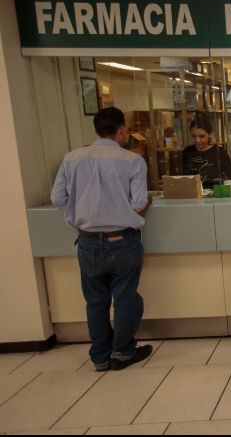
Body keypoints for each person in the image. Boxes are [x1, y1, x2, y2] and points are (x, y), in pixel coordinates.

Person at [51, 107, 153, 372]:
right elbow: (139, 202)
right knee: (125, 297)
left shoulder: (71, 158)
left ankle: (99, 356)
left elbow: (57, 199)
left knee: (95, 301)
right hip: (122, 241)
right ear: (121, 130)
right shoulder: (132, 160)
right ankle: (123, 350)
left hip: (87, 242)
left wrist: (85, 205)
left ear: (96, 130)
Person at [182, 114, 231, 189]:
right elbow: (182, 178)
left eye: (202, 136)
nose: (197, 140)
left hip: (215, 196)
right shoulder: (187, 152)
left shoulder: (219, 152)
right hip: (192, 195)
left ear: (210, 135)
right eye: (194, 136)